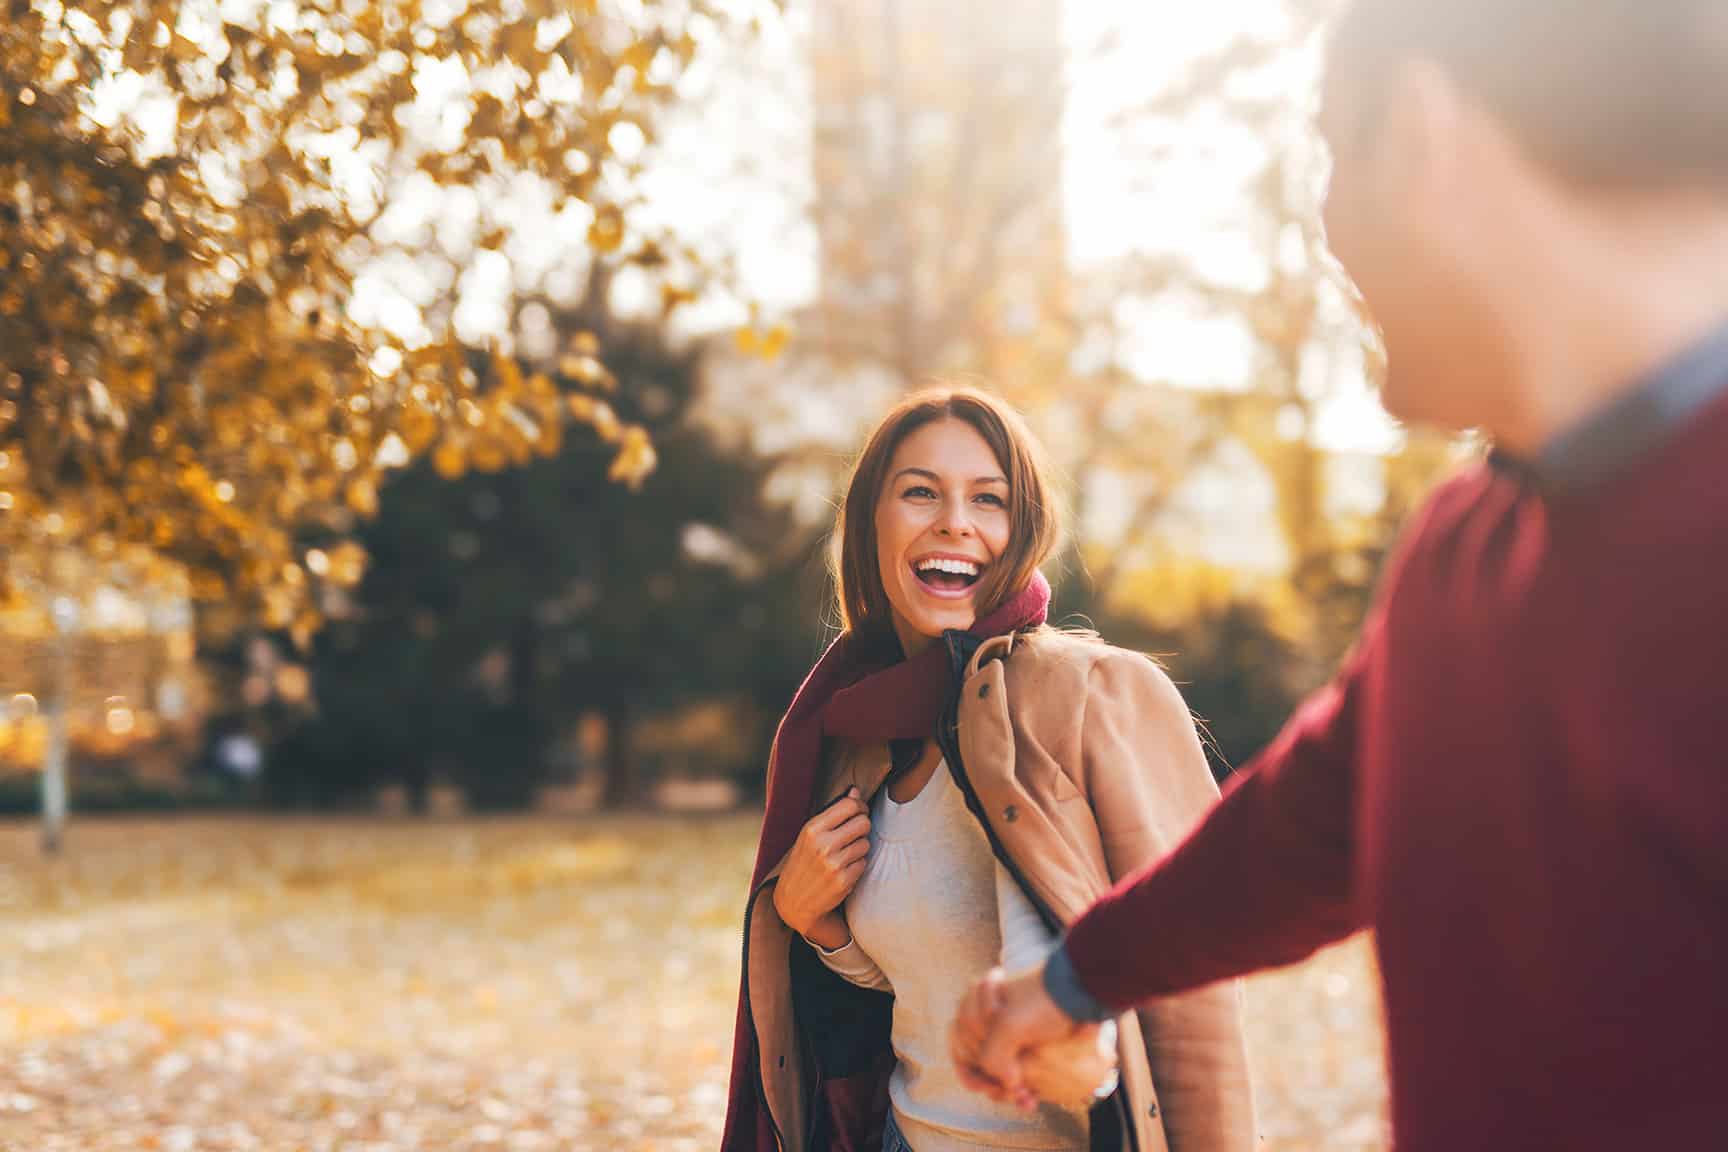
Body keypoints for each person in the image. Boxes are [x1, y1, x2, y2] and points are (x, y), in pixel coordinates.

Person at [952, 2, 1728, 1149]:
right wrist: (1073, 980)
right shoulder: (1463, 554)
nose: (1323, 226)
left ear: (1418, 133)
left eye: (1327, 152)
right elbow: (1314, 822)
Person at [720, 388, 1254, 1152]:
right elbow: (920, 989)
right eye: (919, 493)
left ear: (1024, 527)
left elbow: (1199, 975)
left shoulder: (1098, 694)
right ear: (872, 521)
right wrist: (819, 926)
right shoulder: (855, 738)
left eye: (988, 499)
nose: (954, 522)